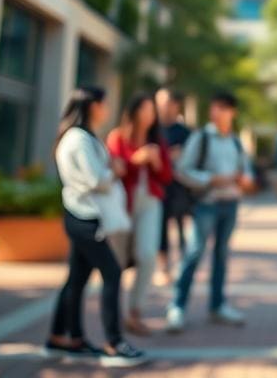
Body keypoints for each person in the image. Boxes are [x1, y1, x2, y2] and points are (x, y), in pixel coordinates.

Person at [46, 87, 147, 368]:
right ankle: (114, 342)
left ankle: (64, 338)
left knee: (76, 280)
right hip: (84, 217)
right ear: (93, 106)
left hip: (84, 215)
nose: (107, 109)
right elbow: (95, 179)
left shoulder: (83, 137)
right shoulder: (78, 139)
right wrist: (114, 170)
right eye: (104, 104)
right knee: (112, 273)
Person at [166, 90, 255, 332]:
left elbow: (246, 171)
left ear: (232, 112)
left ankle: (218, 306)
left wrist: (244, 180)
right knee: (194, 254)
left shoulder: (236, 141)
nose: (216, 112)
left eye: (222, 108)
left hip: (231, 203)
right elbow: (183, 170)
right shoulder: (201, 137)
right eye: (214, 107)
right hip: (206, 204)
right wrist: (210, 179)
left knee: (222, 256)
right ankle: (177, 307)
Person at [106, 92, 173, 336]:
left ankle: (135, 311)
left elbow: (166, 177)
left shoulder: (158, 141)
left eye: (151, 109)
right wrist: (137, 159)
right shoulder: (117, 137)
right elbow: (116, 168)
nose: (149, 114)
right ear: (133, 111)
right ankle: (115, 312)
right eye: (145, 108)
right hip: (123, 205)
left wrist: (155, 162)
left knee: (147, 256)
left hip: (150, 203)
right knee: (117, 261)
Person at [154, 88, 191, 284]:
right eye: (160, 102)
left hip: (180, 187)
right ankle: (163, 267)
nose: (163, 107)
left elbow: (190, 157)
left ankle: (183, 264)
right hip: (159, 188)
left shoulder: (185, 132)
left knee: (181, 226)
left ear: (176, 105)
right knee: (161, 228)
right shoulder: (152, 129)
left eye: (167, 102)